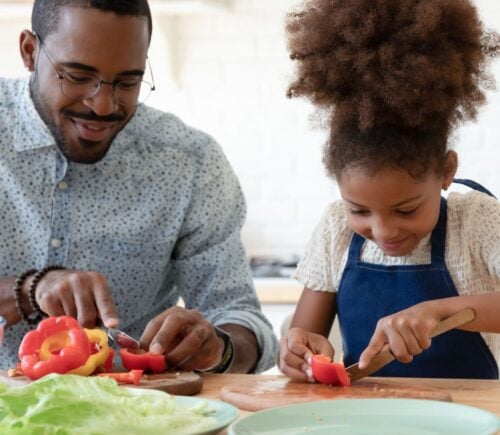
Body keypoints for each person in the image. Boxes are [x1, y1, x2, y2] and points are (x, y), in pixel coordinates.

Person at [0, 0, 278, 374]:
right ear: (30, 52)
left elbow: (241, 319)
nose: (102, 105)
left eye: (127, 82)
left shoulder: (189, 162)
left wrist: (217, 349)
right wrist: (26, 291)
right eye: (78, 76)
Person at [278, 0, 500, 381]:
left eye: (406, 210)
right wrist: (298, 351)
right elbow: (306, 334)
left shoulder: (477, 220)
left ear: (446, 172)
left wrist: (437, 311)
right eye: (360, 211)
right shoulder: (335, 227)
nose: (383, 232)